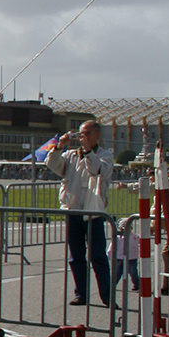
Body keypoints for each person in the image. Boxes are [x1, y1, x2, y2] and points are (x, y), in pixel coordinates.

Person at [46, 120, 114, 306]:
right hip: (73, 210)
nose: (82, 136)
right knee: (76, 256)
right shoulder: (70, 156)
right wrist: (59, 146)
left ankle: (107, 296)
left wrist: (87, 151)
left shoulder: (104, 156)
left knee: (98, 256)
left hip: (93, 212)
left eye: (87, 133)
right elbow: (52, 165)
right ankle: (81, 294)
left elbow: (96, 170)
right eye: (80, 133)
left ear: (97, 135)